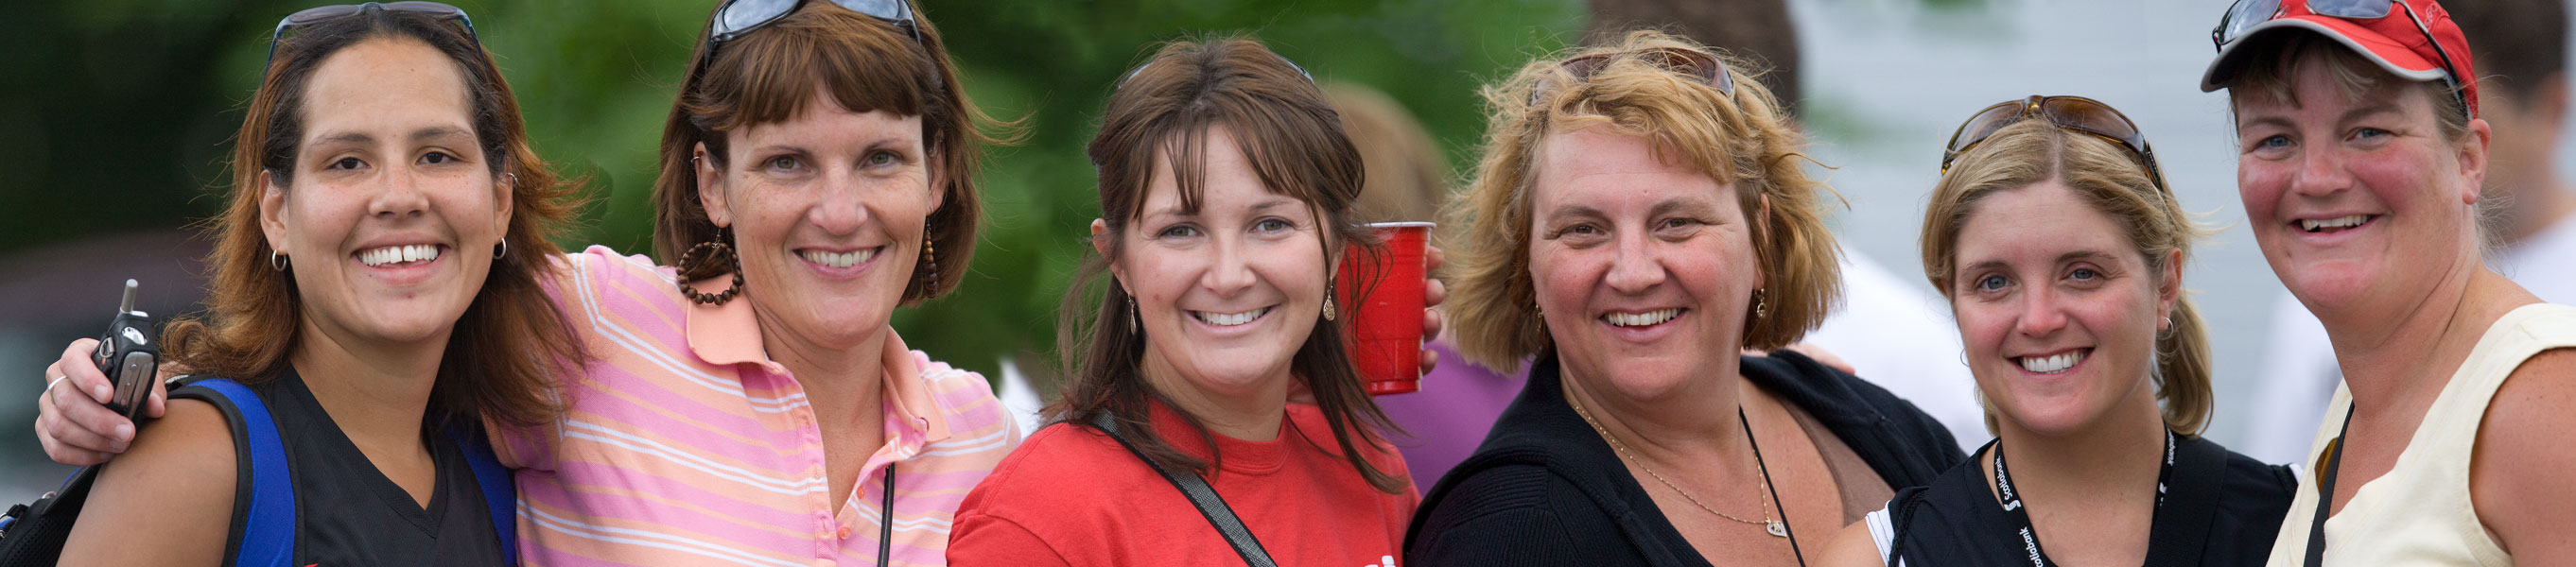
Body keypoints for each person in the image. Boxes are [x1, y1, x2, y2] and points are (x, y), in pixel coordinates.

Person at [40, 1, 1023, 564]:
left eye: (882, 160)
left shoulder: (986, 437)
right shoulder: (594, 326)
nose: (840, 209)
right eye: (788, 163)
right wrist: (97, 387)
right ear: (711, 183)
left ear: (937, 178)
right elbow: (379, 299)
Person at [1405, 30, 1964, 566]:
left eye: (1676, 222)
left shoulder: (1873, 425)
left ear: (1760, 240)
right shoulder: (1506, 532)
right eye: (1583, 229)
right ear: (1526, 264)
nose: (1632, 271)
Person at [50, 3, 583, 563]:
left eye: (436, 155)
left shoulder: (498, 466)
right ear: (277, 213)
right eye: (347, 162)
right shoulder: (201, 457)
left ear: (500, 203)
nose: (399, 196)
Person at [945, 37, 1419, 565]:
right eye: (1181, 231)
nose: (1229, 274)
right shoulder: (1042, 521)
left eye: (1270, 224)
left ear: (1333, 250)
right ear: (1118, 259)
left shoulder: (1374, 478)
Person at [1815, 95, 2296, 566]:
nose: (2040, 320)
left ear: (2166, 284)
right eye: (1995, 282)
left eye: (2082, 273)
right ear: (1953, 303)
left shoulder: (2311, 520)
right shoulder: (1883, 555)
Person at [2201, 0, 2576, 563]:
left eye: (2368, 131)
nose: (2317, 179)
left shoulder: (2539, 398)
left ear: (2468, 160)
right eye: (2275, 139)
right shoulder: (2361, 404)